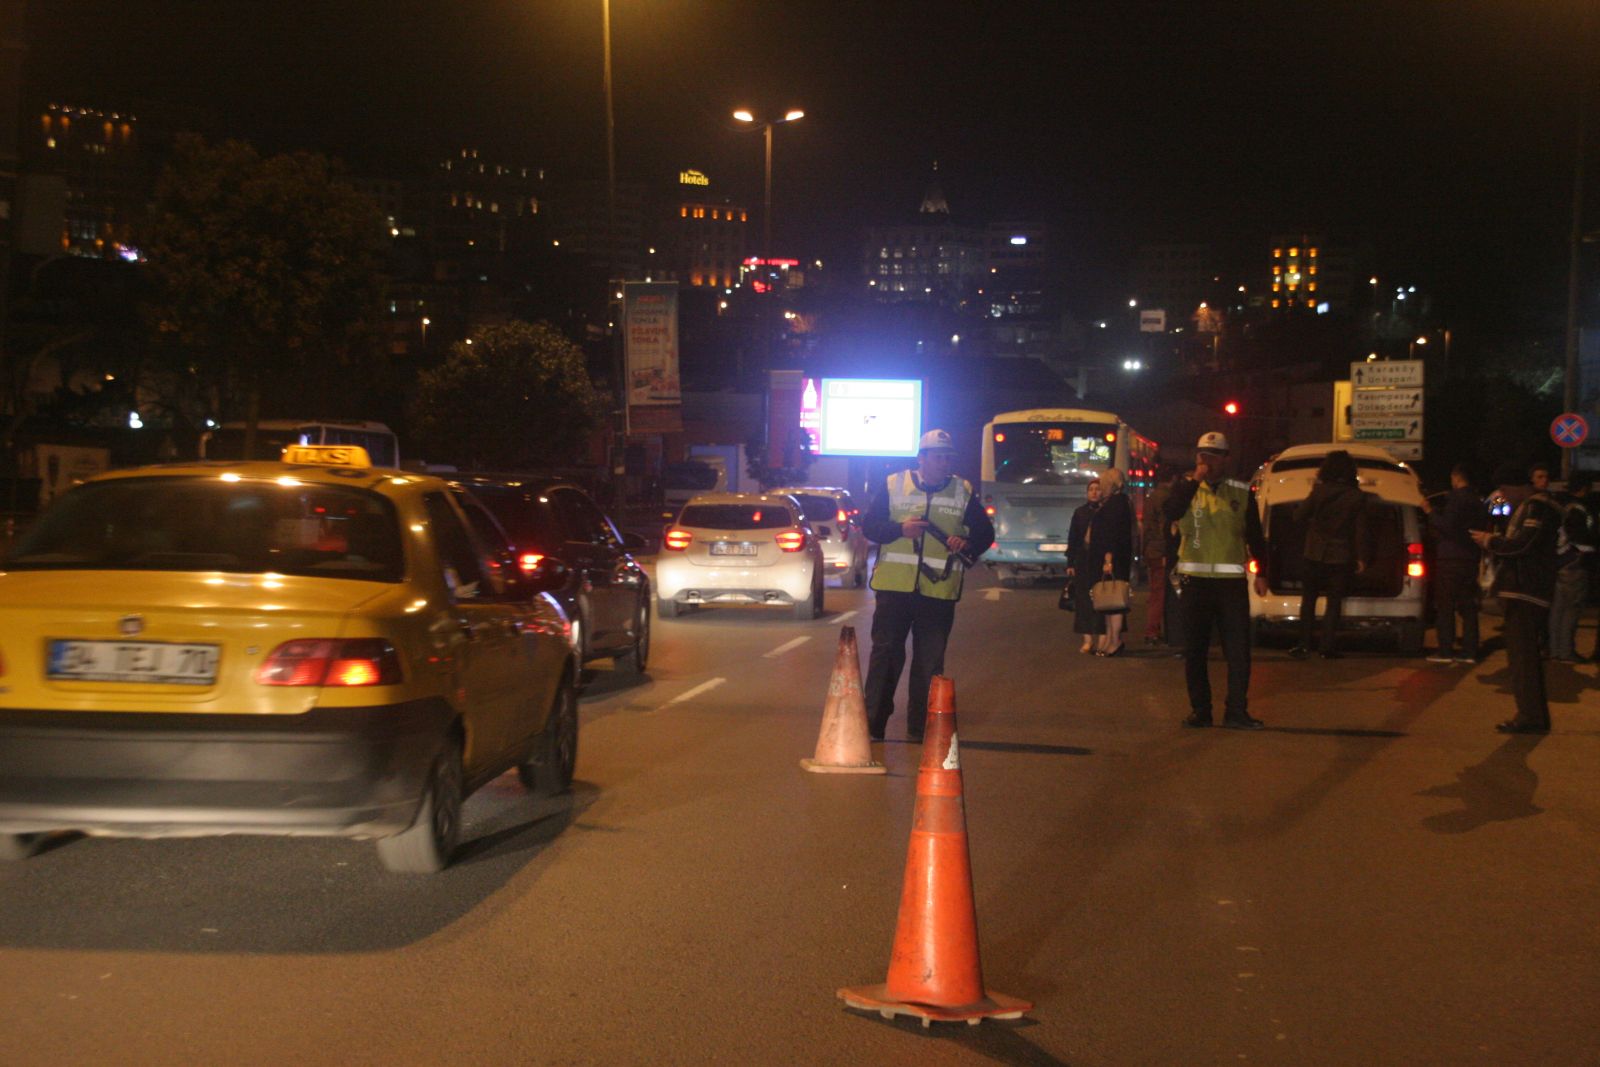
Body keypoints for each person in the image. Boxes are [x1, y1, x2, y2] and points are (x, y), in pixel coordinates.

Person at [861, 428, 995, 742]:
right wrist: (899, 529)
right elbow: (870, 526)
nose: (944, 462)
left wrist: (967, 542)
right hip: (894, 588)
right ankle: (872, 724)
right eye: (938, 456)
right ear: (922, 458)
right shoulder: (894, 484)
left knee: (929, 662)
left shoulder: (962, 490)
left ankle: (920, 728)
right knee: (886, 654)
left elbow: (984, 535)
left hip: (938, 590)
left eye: (948, 456)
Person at [1166, 431, 1270, 729]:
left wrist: (1262, 571)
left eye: (1212, 456)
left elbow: (1254, 535)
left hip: (1230, 585)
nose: (1205, 461)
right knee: (1195, 651)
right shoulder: (1185, 488)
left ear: (1226, 459)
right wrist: (1193, 481)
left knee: (1238, 651)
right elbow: (1171, 512)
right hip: (1194, 581)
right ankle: (1201, 710)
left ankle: (1236, 711)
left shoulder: (1240, 491)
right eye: (1201, 455)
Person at [1471, 462, 1562, 734]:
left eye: (1504, 490)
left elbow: (1523, 545)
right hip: (1525, 590)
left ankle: (1530, 717)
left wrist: (1491, 542)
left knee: (1523, 660)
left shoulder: (1537, 508)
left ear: (1516, 487)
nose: (1504, 496)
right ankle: (1532, 715)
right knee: (1523, 659)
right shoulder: (1535, 507)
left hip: (1526, 592)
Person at [1288, 450, 1368, 660]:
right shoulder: (1357, 496)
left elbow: (1298, 516)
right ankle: (1327, 647)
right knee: (1334, 603)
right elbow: (1360, 530)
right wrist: (1361, 558)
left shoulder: (1319, 491)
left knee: (1309, 600)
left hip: (1314, 552)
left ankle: (1303, 644)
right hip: (1340, 556)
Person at [1422, 464, 1484, 664]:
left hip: (1451, 558)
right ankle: (1469, 651)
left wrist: (1430, 512)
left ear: (1456, 478)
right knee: (1468, 606)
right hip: (1470, 558)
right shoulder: (1477, 501)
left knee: (1446, 606)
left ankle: (1445, 650)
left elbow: (1447, 526)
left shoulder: (1455, 499)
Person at [1548, 471, 1596, 663]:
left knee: (1558, 609)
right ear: (1585, 488)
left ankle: (1555, 650)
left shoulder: (1560, 505)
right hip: (1574, 561)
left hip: (1560, 561)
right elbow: (1582, 536)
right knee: (1572, 609)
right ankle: (1566, 651)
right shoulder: (1579, 509)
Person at [1089, 467, 1135, 656]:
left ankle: (1114, 640)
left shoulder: (1116, 504)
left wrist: (1109, 557)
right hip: (1113, 556)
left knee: (1114, 600)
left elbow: (1113, 533)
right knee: (1108, 601)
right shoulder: (1118, 502)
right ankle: (1110, 638)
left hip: (1112, 557)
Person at [1066, 478, 1105, 651]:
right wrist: (1070, 562)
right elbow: (1073, 538)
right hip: (1083, 561)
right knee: (1083, 601)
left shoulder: (1106, 512)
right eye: (1091, 489)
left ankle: (1103, 636)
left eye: (1098, 489)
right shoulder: (1080, 512)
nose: (1094, 492)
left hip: (1101, 562)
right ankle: (1087, 639)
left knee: (1101, 599)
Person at [1141, 465, 1175, 646]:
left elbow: (1146, 528)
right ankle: (1153, 630)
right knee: (1161, 593)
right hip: (1161, 551)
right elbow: (1165, 528)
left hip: (1151, 550)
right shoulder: (1167, 498)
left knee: (1155, 592)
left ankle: (1153, 629)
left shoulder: (1150, 498)